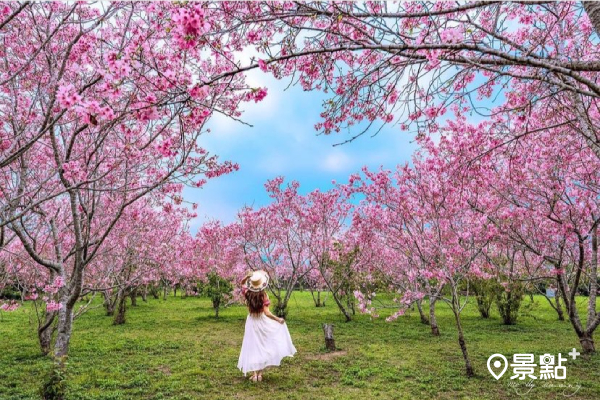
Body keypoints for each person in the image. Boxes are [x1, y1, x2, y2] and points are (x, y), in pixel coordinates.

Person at [237, 270, 297, 382]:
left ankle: (254, 374)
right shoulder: (263, 295)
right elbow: (267, 313)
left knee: (253, 346)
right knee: (263, 345)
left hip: (251, 322)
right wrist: (278, 319)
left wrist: (246, 277)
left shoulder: (247, 293)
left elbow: (242, 283)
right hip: (261, 321)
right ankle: (259, 374)